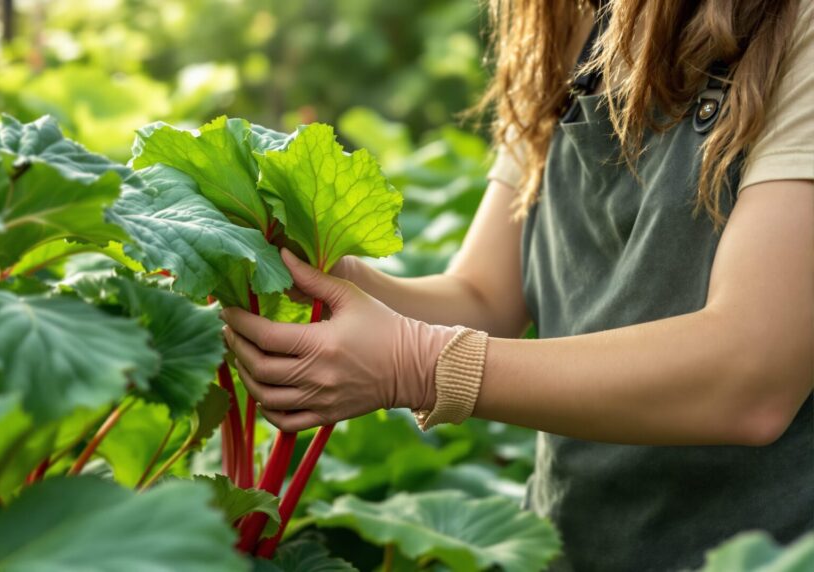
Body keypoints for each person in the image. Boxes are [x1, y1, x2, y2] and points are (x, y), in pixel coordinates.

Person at [220, 0, 814, 569]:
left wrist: (422, 365)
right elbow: (485, 297)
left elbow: (752, 375)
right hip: (572, 546)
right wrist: (331, 276)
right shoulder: (567, 26)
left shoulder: (796, 26)